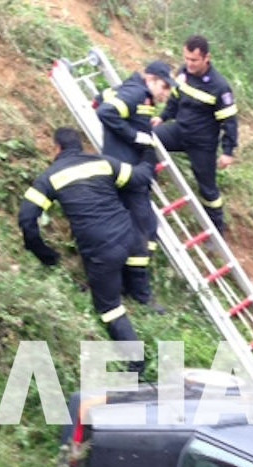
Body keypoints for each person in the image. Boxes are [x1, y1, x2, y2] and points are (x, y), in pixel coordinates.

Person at [18, 127, 157, 372]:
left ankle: (136, 362)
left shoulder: (51, 177)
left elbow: (27, 219)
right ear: (80, 145)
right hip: (130, 238)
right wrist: (149, 150)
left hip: (102, 249)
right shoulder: (102, 163)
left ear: (56, 148)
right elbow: (141, 177)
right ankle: (143, 298)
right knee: (131, 261)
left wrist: (44, 253)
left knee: (109, 307)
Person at [95, 61, 176, 310]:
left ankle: (123, 284)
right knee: (144, 226)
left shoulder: (134, 92)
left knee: (139, 228)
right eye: (163, 87)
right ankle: (139, 294)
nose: (165, 94)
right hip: (127, 171)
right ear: (150, 79)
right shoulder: (136, 93)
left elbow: (101, 99)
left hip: (129, 169)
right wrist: (134, 136)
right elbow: (106, 111)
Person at [153, 35, 238, 235]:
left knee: (208, 190)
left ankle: (217, 229)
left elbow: (230, 122)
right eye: (186, 58)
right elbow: (175, 99)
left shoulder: (219, 87)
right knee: (150, 139)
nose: (189, 64)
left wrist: (228, 151)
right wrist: (163, 117)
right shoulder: (184, 73)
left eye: (194, 60)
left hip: (202, 144)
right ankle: (146, 184)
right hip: (179, 131)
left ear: (206, 58)